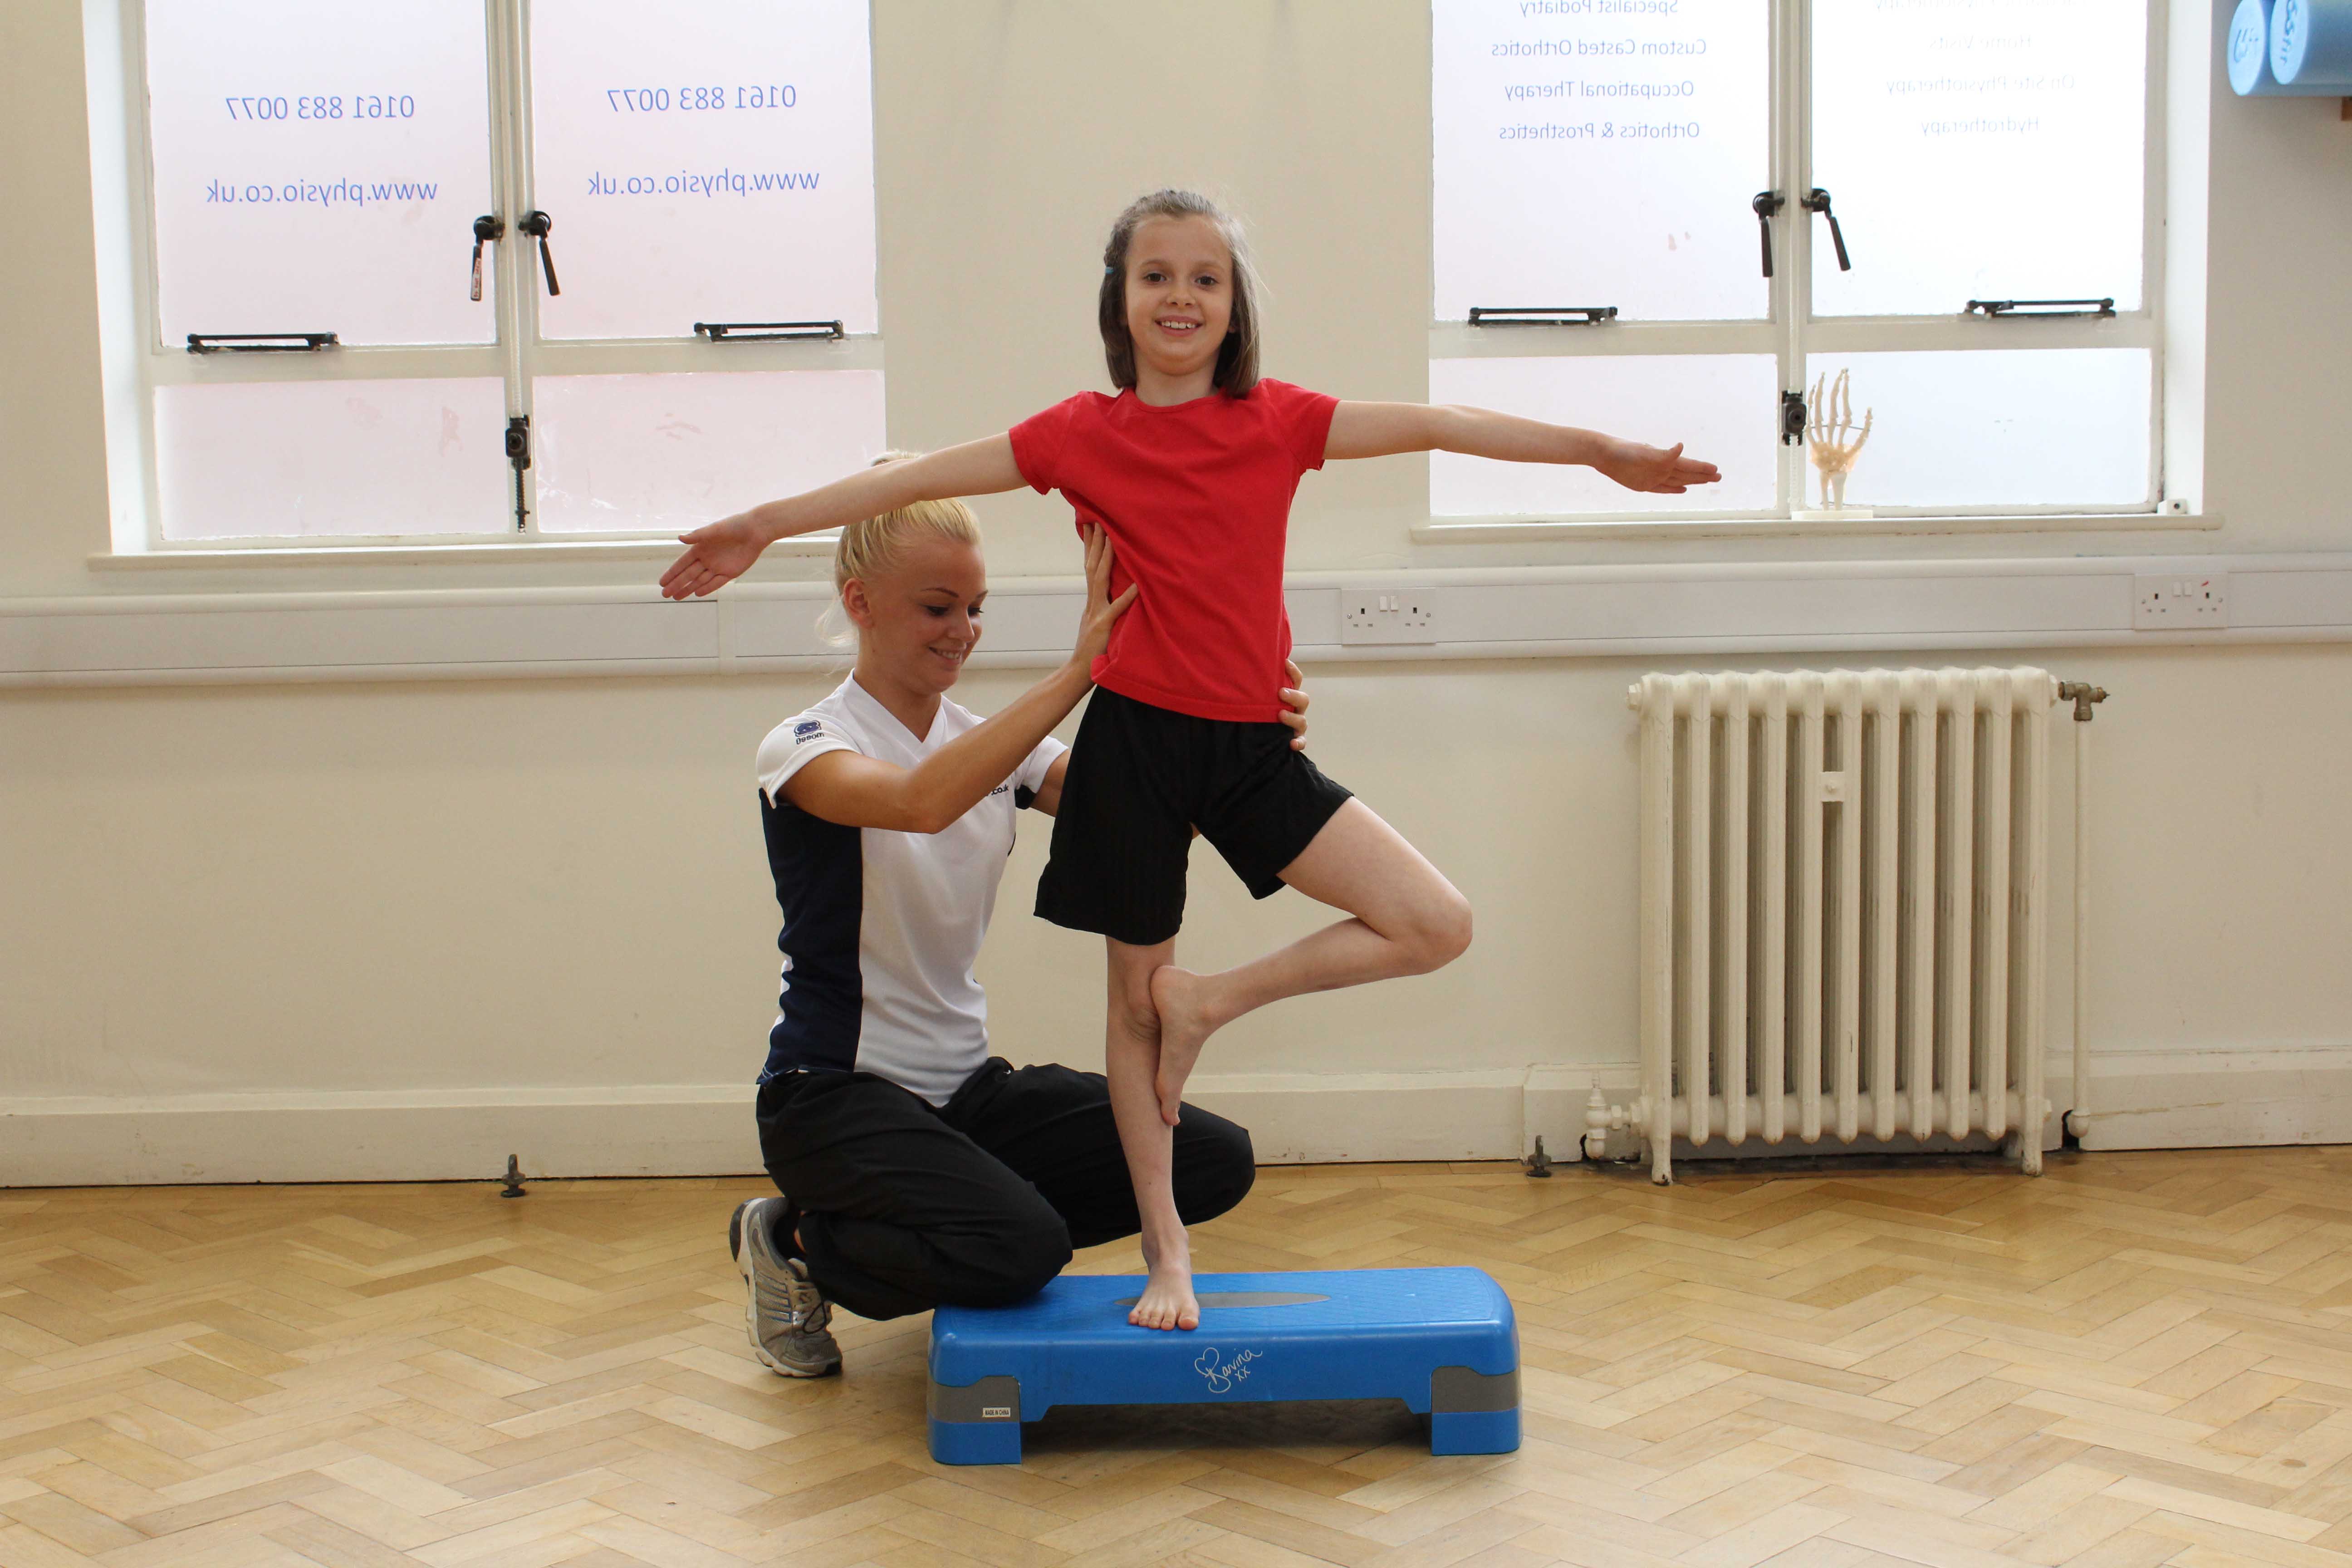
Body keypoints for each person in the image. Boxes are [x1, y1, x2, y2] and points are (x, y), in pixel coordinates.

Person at [671, 188, 1721, 1333]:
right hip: (1133, 739)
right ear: (1120, 303)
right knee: (1129, 1014)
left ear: (1233, 306)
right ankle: (1165, 1255)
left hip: (1254, 744)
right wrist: (764, 522)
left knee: (1433, 920)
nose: (1180, 295)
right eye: (1155, 275)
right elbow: (912, 480)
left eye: (1205, 278)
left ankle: (1212, 1001)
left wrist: (1601, 453)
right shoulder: (1080, 436)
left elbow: (1440, 421)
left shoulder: (1278, 421)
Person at [728, 466, 1312, 1376]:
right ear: (861, 602)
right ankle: (797, 1240)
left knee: (1211, 1160)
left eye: (975, 608)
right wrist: (1084, 668)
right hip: (830, 1098)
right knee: (1024, 1250)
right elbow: (921, 801)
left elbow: (1169, 809)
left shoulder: (997, 747)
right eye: (937, 608)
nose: (963, 631)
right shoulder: (806, 747)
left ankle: (971, 1211)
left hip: (965, 1092)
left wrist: (1251, 726)